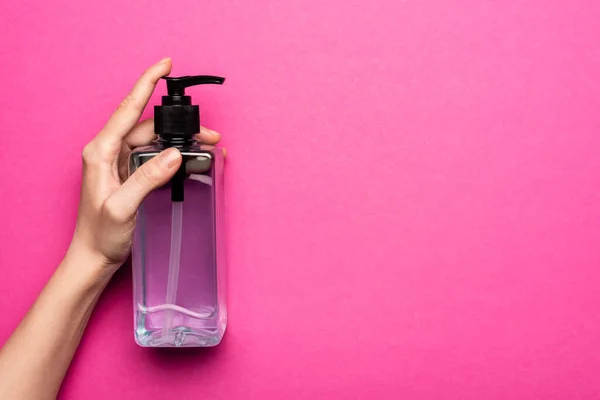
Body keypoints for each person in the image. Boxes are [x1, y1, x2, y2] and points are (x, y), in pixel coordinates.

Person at [0, 58, 225, 400]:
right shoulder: (144, 161)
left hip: (201, 325)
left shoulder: (207, 159)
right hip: (156, 328)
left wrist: (93, 254)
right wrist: (95, 253)